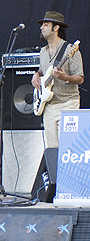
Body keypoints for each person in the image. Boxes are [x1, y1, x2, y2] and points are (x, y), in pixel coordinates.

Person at [31, 11, 84, 148]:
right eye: (42, 25)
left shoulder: (70, 50)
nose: (41, 28)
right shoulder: (43, 51)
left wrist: (65, 77)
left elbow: (80, 78)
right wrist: (36, 75)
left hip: (68, 104)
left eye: (45, 25)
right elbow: (43, 70)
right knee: (52, 148)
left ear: (56, 28)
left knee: (68, 149)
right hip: (48, 105)